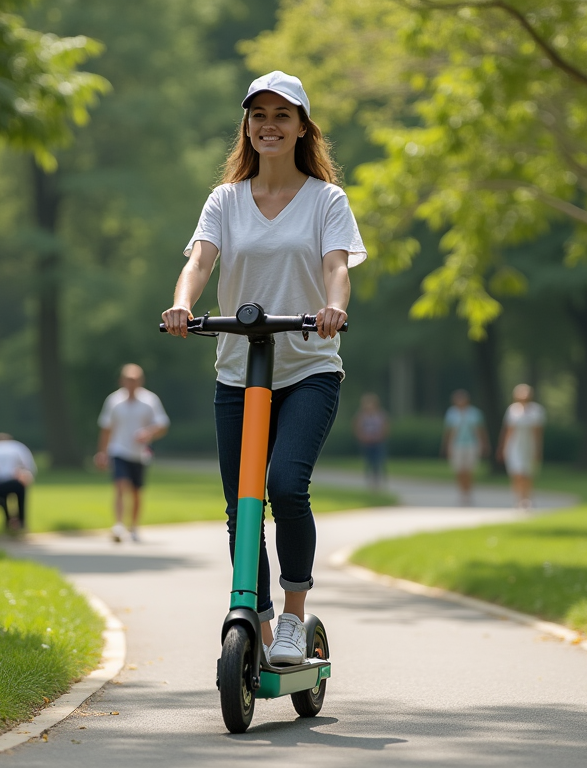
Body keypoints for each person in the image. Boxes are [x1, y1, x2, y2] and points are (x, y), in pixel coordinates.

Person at [162, 71, 365, 665]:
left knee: (284, 485)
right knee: (242, 503)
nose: (269, 125)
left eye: (282, 115)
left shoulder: (327, 200)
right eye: (258, 116)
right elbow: (200, 260)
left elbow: (337, 267)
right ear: (246, 128)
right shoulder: (224, 200)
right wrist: (183, 303)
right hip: (238, 371)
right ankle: (262, 622)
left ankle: (296, 617)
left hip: (308, 368)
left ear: (303, 127)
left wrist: (334, 308)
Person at [94, 364, 170, 543]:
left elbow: (162, 425)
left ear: (140, 381)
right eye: (128, 379)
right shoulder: (113, 401)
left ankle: (134, 526)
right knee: (120, 485)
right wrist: (102, 452)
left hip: (140, 453)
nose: (132, 383)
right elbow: (106, 428)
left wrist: (148, 433)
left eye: (135, 380)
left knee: (136, 491)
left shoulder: (150, 400)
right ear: (122, 380)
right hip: (118, 449)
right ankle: (118, 525)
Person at [497, 384, 545, 510]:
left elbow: (538, 433)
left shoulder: (536, 410)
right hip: (514, 446)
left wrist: (538, 449)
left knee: (527, 474)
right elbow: (507, 431)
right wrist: (502, 447)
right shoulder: (512, 410)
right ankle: (518, 499)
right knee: (517, 473)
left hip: (529, 446)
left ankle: (527, 498)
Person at [442, 389, 490, 505]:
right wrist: (445, 446)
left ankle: (468, 493)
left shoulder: (474, 413)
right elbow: (447, 432)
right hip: (456, 445)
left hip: (471, 444)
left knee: (469, 470)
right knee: (459, 470)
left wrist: (484, 444)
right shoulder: (451, 413)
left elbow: (480, 430)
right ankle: (462, 492)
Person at [352, 393, 389, 490]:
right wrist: (363, 437)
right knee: (368, 461)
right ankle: (370, 481)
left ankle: (377, 480)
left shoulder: (380, 414)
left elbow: (385, 427)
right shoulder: (362, 415)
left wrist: (380, 436)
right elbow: (357, 427)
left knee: (378, 460)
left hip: (377, 442)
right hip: (367, 442)